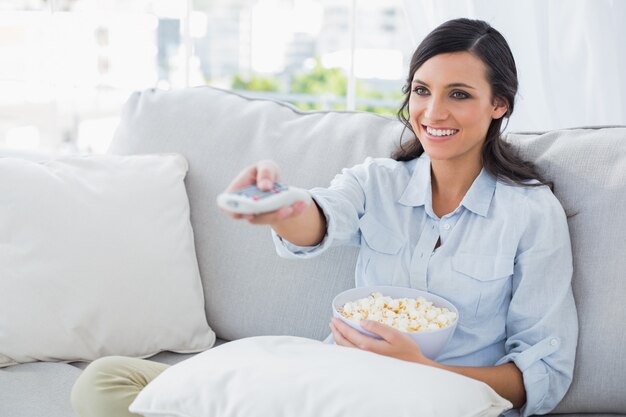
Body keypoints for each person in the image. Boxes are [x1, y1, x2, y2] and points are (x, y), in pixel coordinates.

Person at [71, 18, 577, 417]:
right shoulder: (378, 181)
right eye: (422, 91)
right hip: (338, 384)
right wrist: (282, 207)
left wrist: (423, 369)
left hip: (444, 402)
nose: (433, 112)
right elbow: (319, 217)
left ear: (499, 105)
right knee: (107, 381)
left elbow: (543, 372)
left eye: (459, 94)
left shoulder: (531, 213)